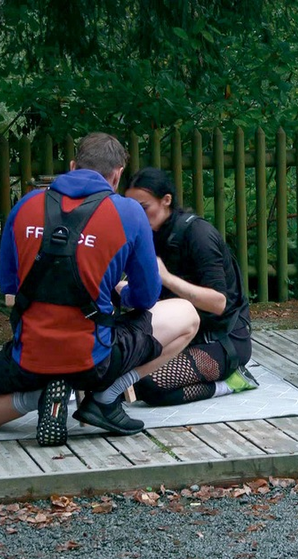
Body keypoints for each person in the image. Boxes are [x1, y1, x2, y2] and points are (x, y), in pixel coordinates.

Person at [0, 133, 199, 444]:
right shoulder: (130, 213)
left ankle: (33, 396)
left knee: (27, 368)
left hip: (28, 357)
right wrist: (120, 294)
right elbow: (147, 297)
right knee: (187, 315)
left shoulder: (25, 206)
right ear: (117, 175)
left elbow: (9, 285)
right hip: (93, 362)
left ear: (72, 166)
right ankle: (106, 398)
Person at [125, 167, 256, 406]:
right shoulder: (149, 235)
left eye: (143, 208)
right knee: (117, 370)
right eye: (131, 209)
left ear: (166, 201)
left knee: (149, 385)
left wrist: (166, 278)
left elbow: (218, 303)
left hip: (220, 340)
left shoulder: (198, 234)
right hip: (177, 335)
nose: (137, 216)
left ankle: (230, 383)